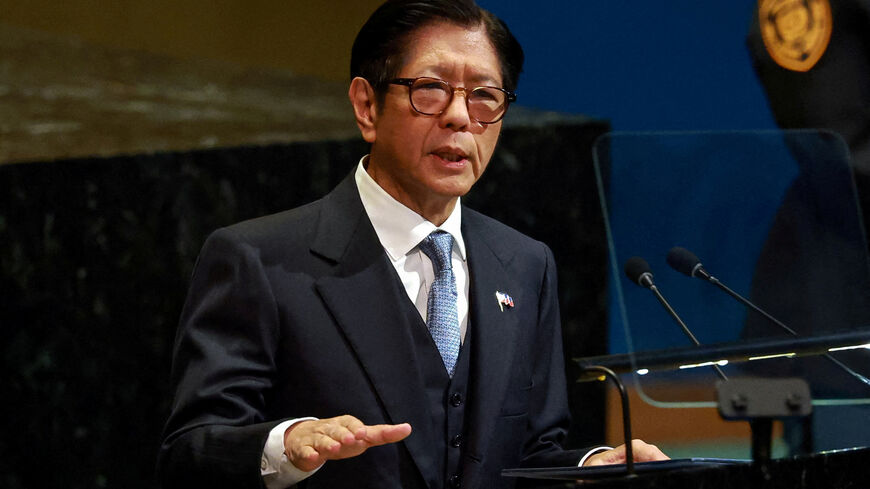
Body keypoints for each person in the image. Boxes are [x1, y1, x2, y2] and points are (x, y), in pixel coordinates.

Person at [156, 1, 667, 488]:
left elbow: (534, 449)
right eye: (430, 88)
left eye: (485, 96)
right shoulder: (260, 260)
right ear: (366, 106)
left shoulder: (525, 264)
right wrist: (285, 445)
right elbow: (191, 452)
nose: (460, 117)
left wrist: (593, 464)